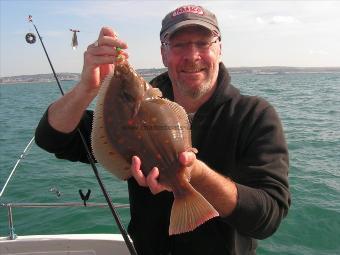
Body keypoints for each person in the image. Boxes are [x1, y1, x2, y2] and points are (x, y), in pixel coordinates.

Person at [35, 4, 290, 255]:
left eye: (203, 42)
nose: (192, 56)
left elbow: (267, 217)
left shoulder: (254, 116)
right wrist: (86, 88)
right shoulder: (129, 111)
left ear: (219, 49)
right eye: (178, 45)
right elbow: (52, 138)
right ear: (163, 53)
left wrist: (194, 173)